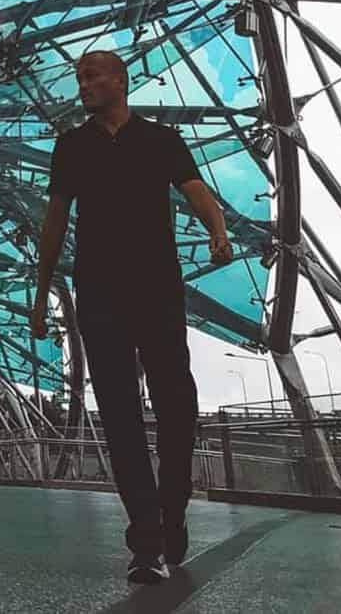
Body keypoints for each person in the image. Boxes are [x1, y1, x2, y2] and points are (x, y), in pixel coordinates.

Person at [31, 49, 233, 585]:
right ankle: (145, 538)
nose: (83, 85)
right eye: (79, 78)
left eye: (92, 76)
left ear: (121, 80)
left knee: (177, 403)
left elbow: (196, 191)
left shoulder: (162, 139)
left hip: (158, 289)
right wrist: (40, 292)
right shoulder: (71, 145)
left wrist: (218, 230)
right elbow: (55, 221)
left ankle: (172, 513)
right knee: (119, 413)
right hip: (98, 294)